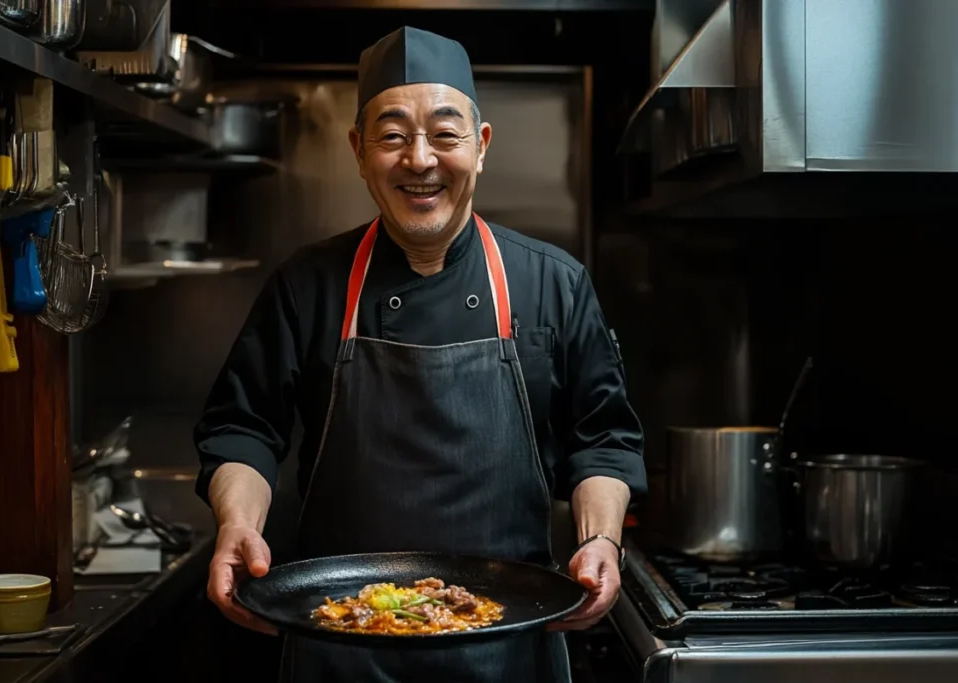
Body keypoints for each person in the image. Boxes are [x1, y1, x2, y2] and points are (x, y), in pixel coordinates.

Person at [194, 25, 646, 683]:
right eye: (393, 134)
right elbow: (242, 429)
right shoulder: (307, 285)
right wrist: (236, 522)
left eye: (444, 132)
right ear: (357, 149)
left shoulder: (553, 282)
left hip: (508, 644)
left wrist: (601, 539)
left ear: (481, 145)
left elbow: (603, 440)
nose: (420, 158)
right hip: (339, 643)